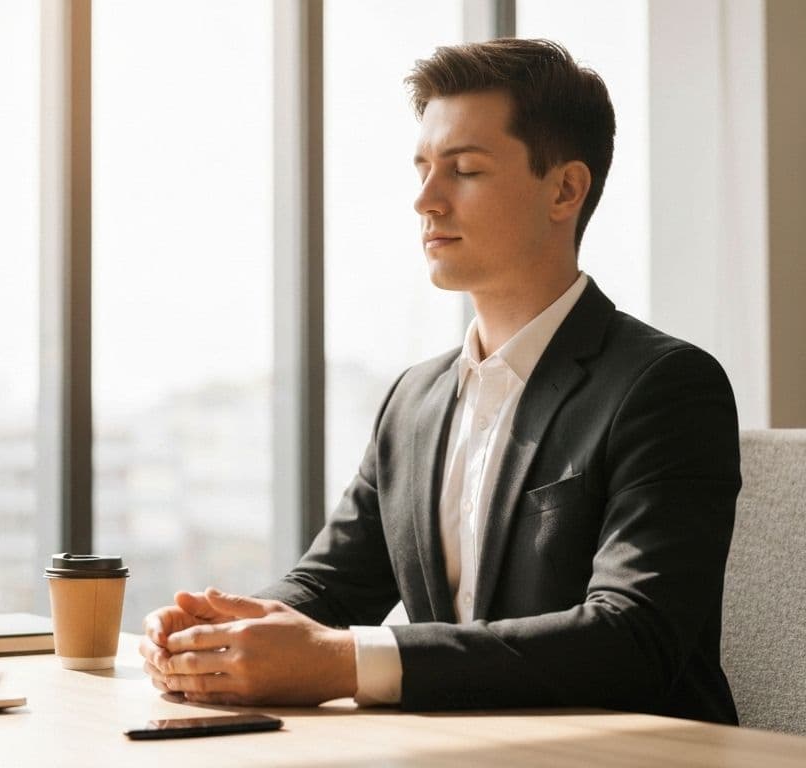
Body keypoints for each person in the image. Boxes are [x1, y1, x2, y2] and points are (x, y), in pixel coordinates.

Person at [139, 38, 740, 723]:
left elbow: (631, 640)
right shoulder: (414, 402)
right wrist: (219, 635)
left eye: (464, 170)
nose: (426, 200)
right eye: (423, 168)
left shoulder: (664, 387)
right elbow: (332, 589)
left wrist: (343, 662)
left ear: (565, 189)